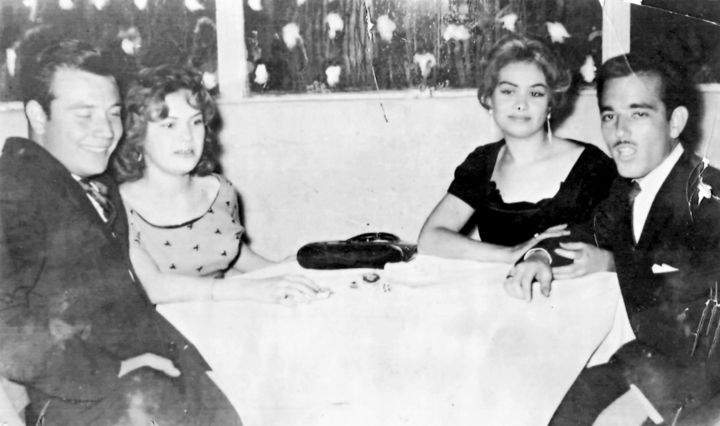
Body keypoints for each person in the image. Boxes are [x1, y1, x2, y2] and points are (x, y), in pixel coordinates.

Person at [0, 39, 242, 425]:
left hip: (147, 373)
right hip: (89, 399)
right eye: (85, 115)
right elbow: (6, 331)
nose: (106, 131)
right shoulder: (13, 190)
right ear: (38, 115)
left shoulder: (92, 180)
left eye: (113, 114)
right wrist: (112, 372)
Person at [506, 54, 720, 424]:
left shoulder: (709, 197)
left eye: (638, 114)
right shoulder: (627, 190)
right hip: (644, 362)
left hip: (698, 385)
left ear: (675, 122)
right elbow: (586, 231)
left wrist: (644, 404)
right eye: (609, 116)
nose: (619, 131)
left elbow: (706, 328)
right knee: (545, 405)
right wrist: (541, 256)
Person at [111, 65, 324, 305]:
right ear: (137, 135)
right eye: (170, 125)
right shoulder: (118, 206)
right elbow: (153, 287)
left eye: (196, 122)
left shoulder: (219, 190)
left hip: (215, 316)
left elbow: (229, 252)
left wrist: (283, 270)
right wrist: (249, 289)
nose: (187, 137)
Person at [417, 35, 616, 264]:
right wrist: (512, 254)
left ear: (551, 103)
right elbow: (429, 239)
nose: (521, 104)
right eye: (508, 91)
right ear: (489, 99)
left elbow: (630, 252)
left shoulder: (592, 166)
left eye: (535, 93)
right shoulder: (482, 162)